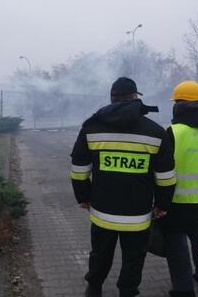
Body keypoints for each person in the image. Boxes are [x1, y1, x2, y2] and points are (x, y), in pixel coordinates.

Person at [70, 77, 176, 297]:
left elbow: (79, 167)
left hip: (102, 211)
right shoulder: (157, 133)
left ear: (111, 98)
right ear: (136, 97)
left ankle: (94, 286)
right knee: (134, 257)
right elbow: (165, 176)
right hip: (138, 215)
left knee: (100, 253)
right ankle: (127, 291)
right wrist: (162, 204)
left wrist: (83, 197)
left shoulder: (91, 127)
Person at [159, 81, 198, 297]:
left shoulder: (173, 132)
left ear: (179, 103)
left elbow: (162, 168)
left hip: (175, 201)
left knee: (176, 242)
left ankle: (183, 289)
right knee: (197, 233)